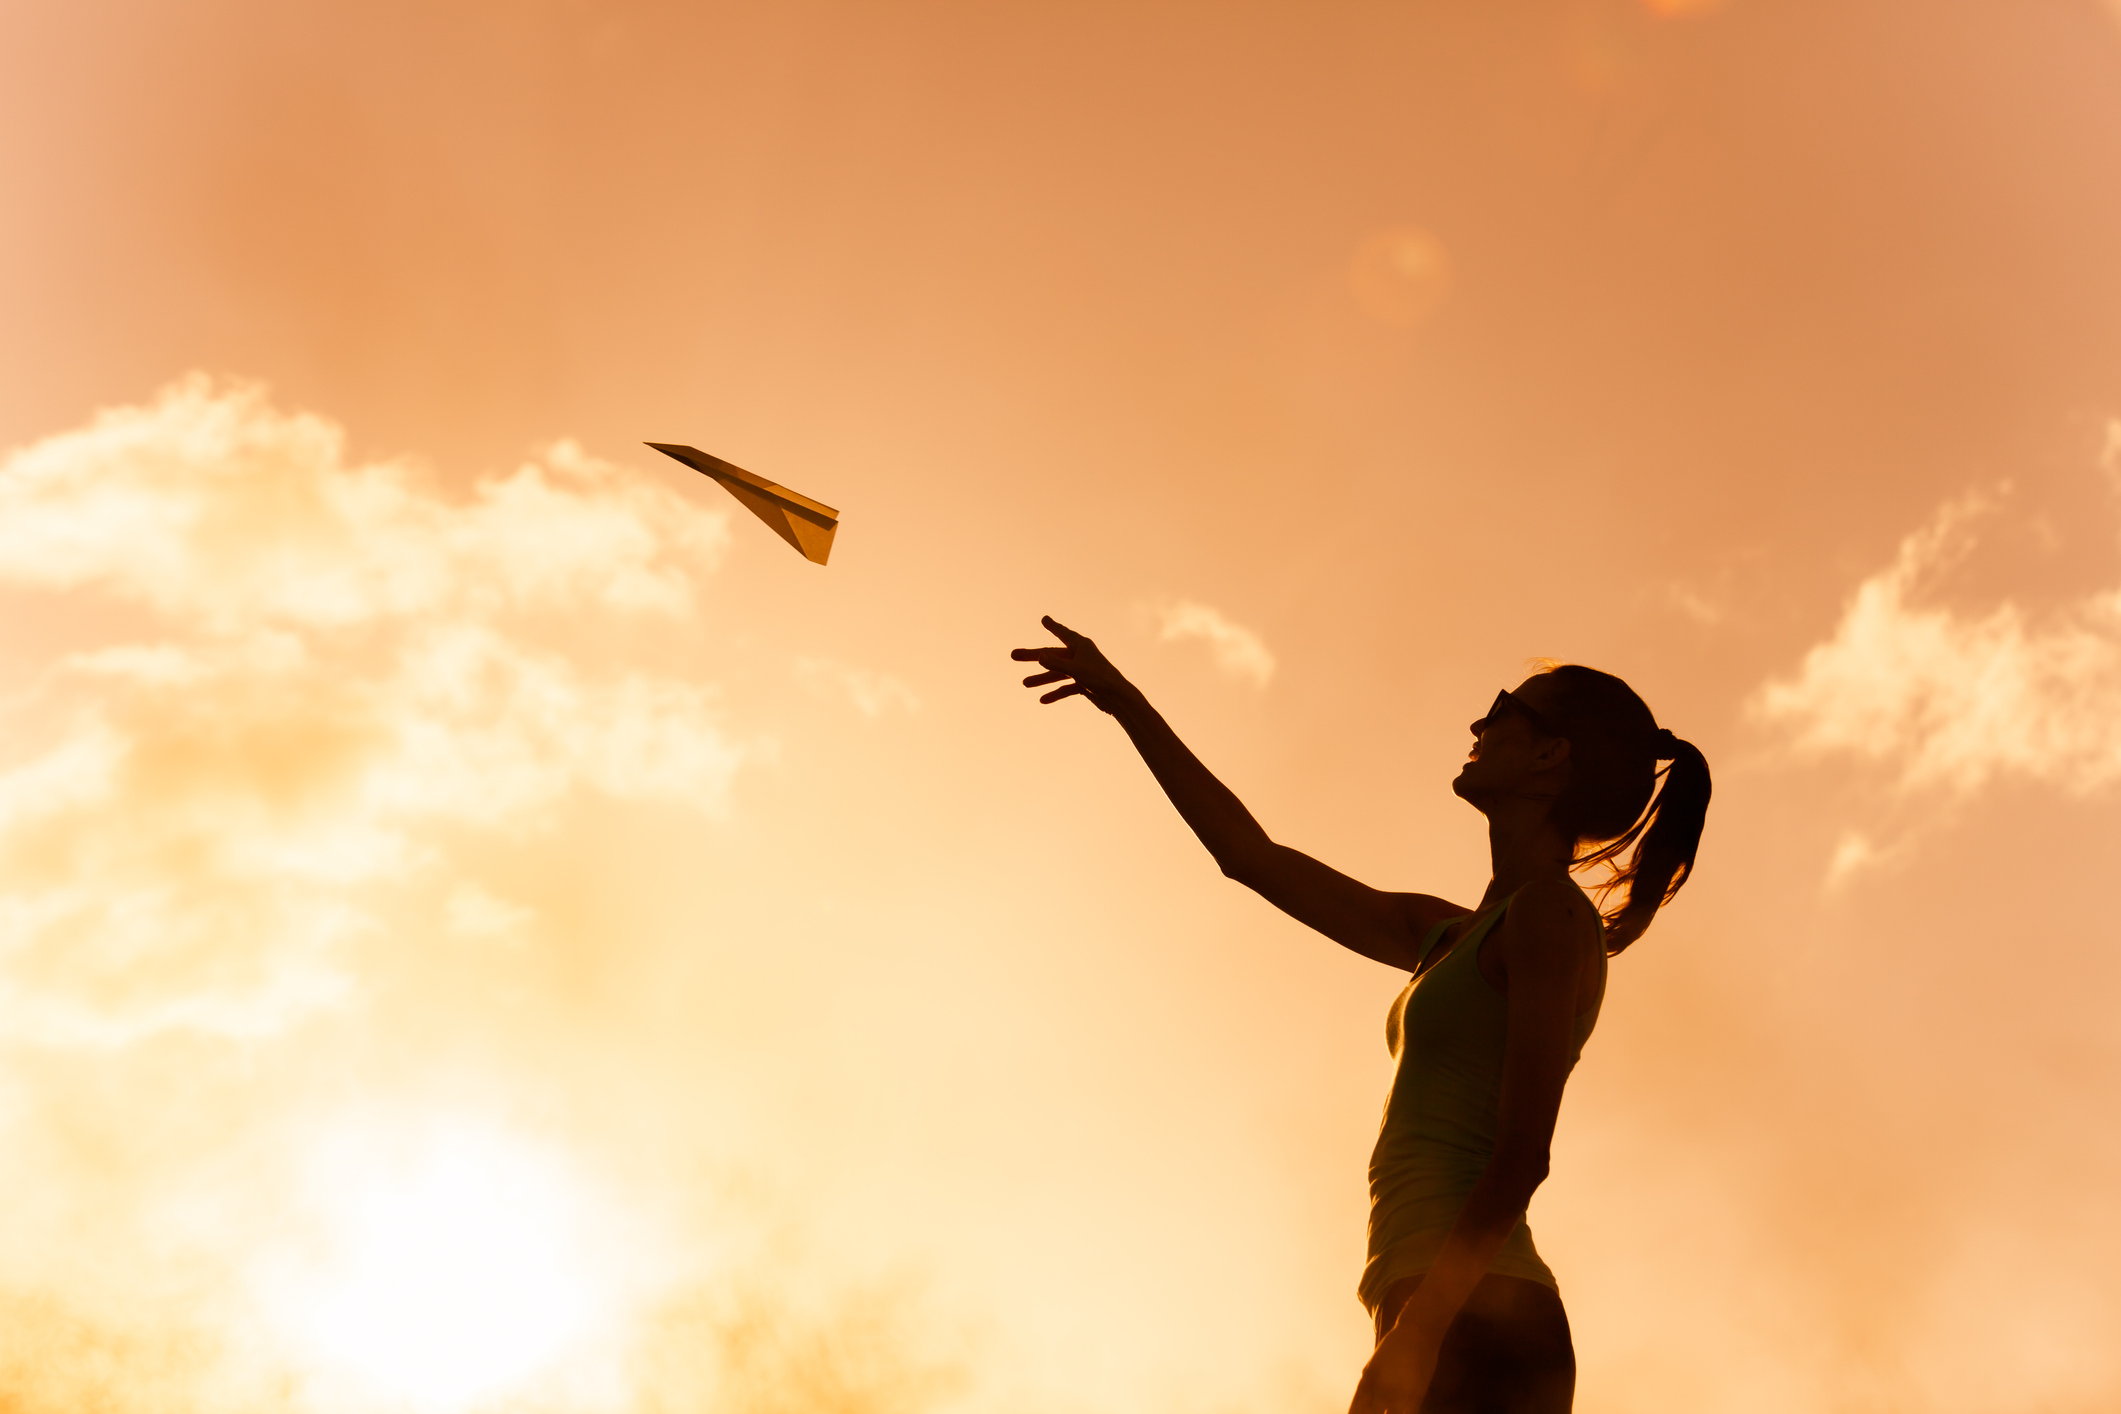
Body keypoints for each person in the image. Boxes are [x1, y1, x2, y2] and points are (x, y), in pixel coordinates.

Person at [1011, 616, 1711, 1414]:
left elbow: (1523, 1154)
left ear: (1551, 754)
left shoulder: (1549, 918)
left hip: (1480, 1323)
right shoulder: (1448, 935)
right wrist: (1125, 701)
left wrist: (1418, 1335)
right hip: (1438, 1308)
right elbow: (1251, 857)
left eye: (1503, 709)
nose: (1479, 726)